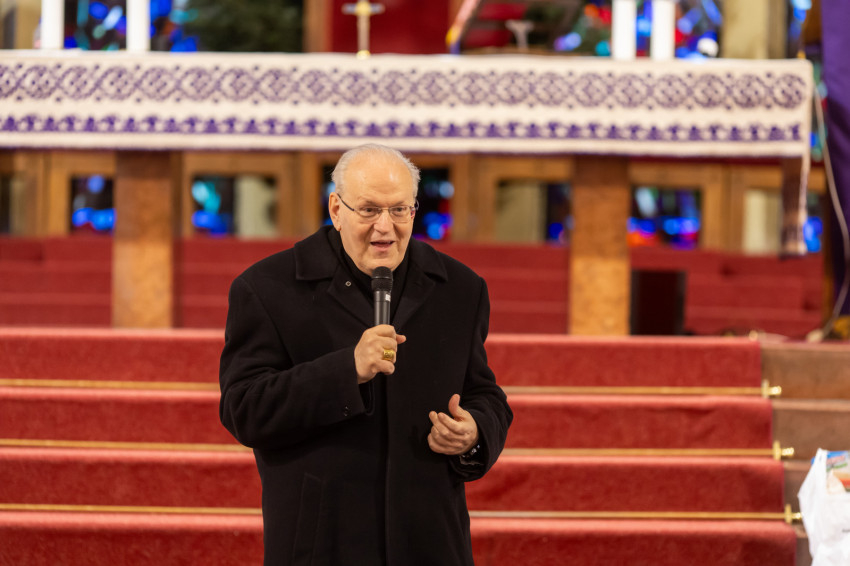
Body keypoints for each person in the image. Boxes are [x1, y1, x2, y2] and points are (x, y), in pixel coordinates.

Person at [219, 143, 513, 566]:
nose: (385, 227)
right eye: (370, 210)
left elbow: (485, 395)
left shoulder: (460, 289)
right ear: (336, 209)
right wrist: (347, 370)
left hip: (428, 538)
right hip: (322, 539)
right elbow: (244, 408)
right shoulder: (267, 288)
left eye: (399, 210)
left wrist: (474, 433)